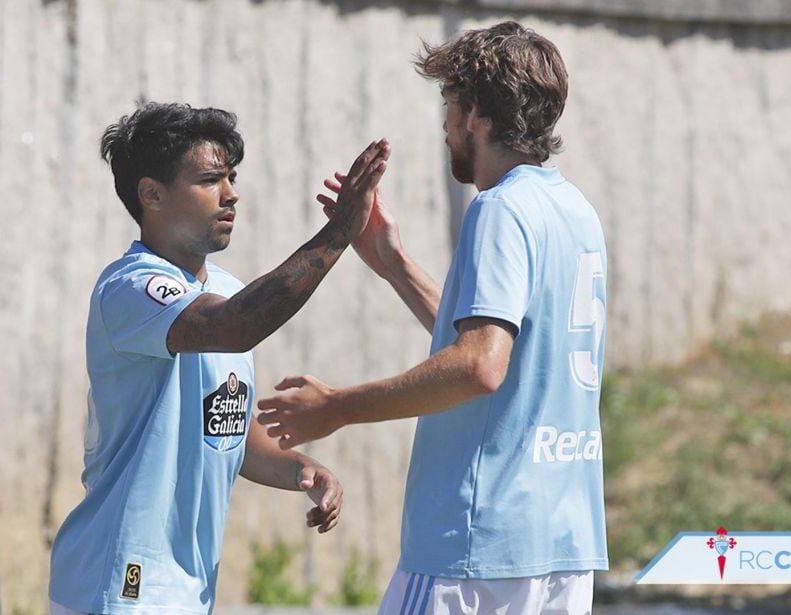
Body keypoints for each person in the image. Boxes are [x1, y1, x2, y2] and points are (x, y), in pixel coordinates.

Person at [257, 22, 609, 614]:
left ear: (476, 114)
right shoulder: (573, 209)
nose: (445, 127)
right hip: (563, 547)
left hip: (477, 547)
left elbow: (479, 366)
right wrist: (394, 264)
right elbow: (502, 348)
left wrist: (336, 408)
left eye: (448, 107)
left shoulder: (498, 209)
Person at [47, 102, 389, 614]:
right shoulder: (131, 288)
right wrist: (338, 233)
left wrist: (300, 470)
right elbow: (234, 328)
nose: (231, 194)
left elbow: (227, 432)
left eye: (231, 176)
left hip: (189, 590)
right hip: (120, 584)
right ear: (152, 193)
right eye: (210, 180)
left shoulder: (226, 294)